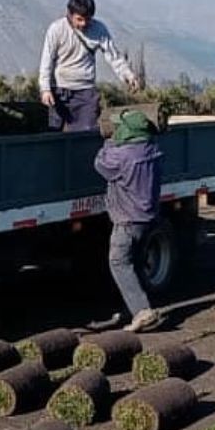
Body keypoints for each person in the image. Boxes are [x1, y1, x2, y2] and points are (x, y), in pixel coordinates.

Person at [93, 107, 164, 333]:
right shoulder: (152, 150)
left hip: (127, 220)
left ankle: (143, 312)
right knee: (135, 262)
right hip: (148, 217)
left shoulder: (123, 156)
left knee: (119, 262)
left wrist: (110, 142)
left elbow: (99, 164)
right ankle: (132, 307)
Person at [39, 0, 140, 131]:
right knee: (53, 137)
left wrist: (128, 75)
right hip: (59, 92)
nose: (84, 23)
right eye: (79, 19)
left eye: (88, 19)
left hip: (85, 92)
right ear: (69, 14)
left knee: (87, 135)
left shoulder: (99, 29)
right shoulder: (56, 29)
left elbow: (113, 56)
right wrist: (45, 89)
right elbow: (47, 61)